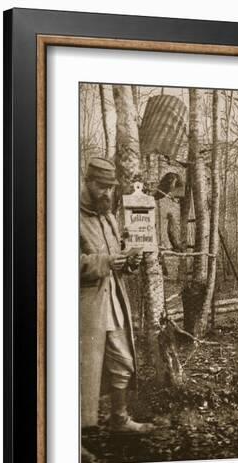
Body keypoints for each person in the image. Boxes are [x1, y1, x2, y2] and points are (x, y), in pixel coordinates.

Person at [80, 157, 154, 433]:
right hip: (85, 306)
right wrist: (105, 262)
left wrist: (128, 261)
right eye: (101, 186)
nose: (107, 193)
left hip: (113, 300)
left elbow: (116, 255)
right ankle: (74, 440)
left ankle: (119, 419)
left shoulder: (108, 216)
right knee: (82, 370)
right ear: (87, 182)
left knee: (122, 359)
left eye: (111, 188)